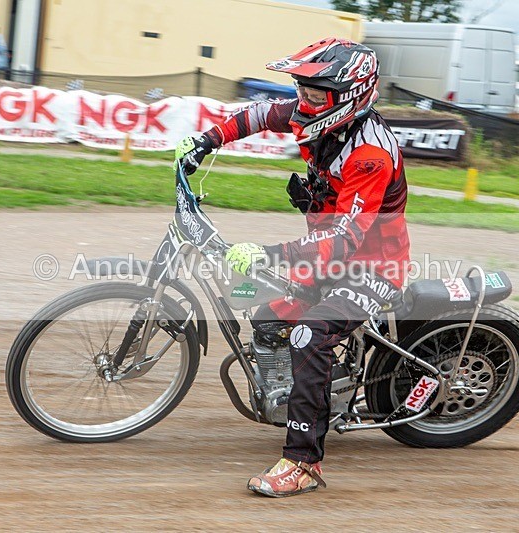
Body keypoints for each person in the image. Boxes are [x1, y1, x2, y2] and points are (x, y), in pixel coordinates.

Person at [175, 38, 409, 498]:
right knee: (265, 320)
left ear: (349, 94)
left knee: (309, 331)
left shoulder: (370, 156)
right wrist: (206, 140)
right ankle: (311, 394)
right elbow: (258, 115)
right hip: (329, 257)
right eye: (301, 88)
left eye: (315, 92)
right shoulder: (315, 111)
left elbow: (343, 239)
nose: (303, 101)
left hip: (371, 268)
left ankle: (304, 462)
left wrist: (270, 253)